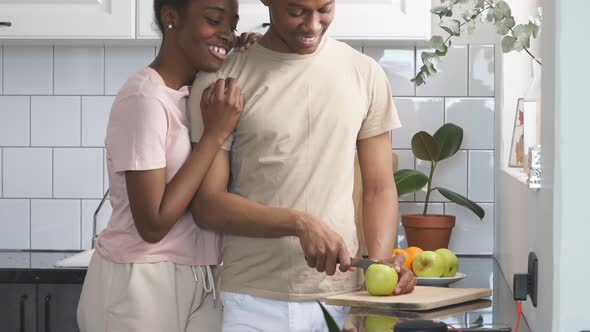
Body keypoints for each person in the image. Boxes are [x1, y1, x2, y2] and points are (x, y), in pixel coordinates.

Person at [188, 0, 417, 330]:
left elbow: (379, 188)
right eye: (296, 11)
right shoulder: (223, 79)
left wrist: (380, 272)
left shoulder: (364, 73)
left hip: (339, 298)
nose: (312, 25)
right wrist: (299, 222)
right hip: (251, 300)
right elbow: (207, 205)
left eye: (324, 9)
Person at [76, 0, 259, 330]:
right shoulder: (145, 99)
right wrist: (214, 135)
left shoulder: (195, 93)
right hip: (139, 281)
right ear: (171, 18)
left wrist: (251, 59)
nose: (228, 35)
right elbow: (153, 223)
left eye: (232, 26)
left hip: (200, 275)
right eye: (215, 20)